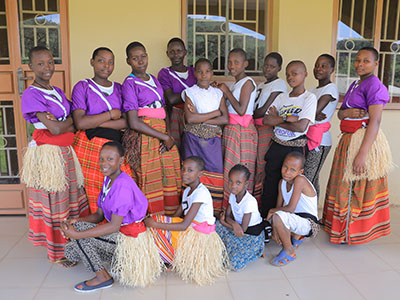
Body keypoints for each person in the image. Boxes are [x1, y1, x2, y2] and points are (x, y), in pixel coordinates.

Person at [62, 142, 163, 292]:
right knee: (70, 251)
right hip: (118, 234)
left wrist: (77, 234)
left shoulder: (122, 185)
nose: (104, 163)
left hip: (128, 239)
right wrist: (76, 221)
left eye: (110, 159)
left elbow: (114, 226)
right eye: (102, 159)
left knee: (79, 236)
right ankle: (119, 263)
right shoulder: (108, 180)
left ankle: (103, 277)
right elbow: (98, 215)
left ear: (121, 160)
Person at [20, 46, 89, 266]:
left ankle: (73, 243)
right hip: (49, 155)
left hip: (65, 153)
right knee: (56, 204)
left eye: (49, 62)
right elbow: (58, 129)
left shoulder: (57, 91)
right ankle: (58, 253)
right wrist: (63, 124)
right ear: (30, 66)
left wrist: (62, 123)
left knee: (69, 200)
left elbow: (73, 122)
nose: (47, 67)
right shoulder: (32, 94)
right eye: (40, 63)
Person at [322, 47, 392, 244]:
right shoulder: (356, 84)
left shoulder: (375, 86)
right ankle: (338, 229)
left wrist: (362, 154)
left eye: (366, 61)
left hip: (361, 142)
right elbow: (340, 112)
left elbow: (375, 121)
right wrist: (346, 114)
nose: (360, 64)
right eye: (358, 60)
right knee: (343, 185)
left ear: (376, 64)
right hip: (348, 140)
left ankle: (350, 233)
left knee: (355, 187)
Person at [144, 156, 229, 285]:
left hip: (199, 234)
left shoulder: (201, 193)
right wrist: (161, 222)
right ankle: (173, 257)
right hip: (191, 228)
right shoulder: (188, 190)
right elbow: (178, 214)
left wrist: (157, 224)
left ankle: (175, 260)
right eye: (183, 169)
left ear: (200, 174)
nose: (184, 173)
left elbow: (183, 225)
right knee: (158, 223)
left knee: (157, 224)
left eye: (190, 170)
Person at [122, 41, 181, 215]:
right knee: (151, 179)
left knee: (168, 178)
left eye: (143, 56)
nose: (140, 61)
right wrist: (163, 137)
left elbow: (164, 110)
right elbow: (134, 122)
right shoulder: (129, 84)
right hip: (146, 136)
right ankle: (153, 221)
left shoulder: (154, 80)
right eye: (135, 58)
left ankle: (168, 220)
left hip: (162, 134)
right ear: (128, 61)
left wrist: (168, 134)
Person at [71, 47, 131, 213]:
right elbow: (80, 123)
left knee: (118, 189)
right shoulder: (83, 87)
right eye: (101, 60)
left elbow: (126, 123)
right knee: (93, 192)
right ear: (92, 62)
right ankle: (94, 232)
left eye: (111, 62)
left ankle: (114, 228)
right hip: (89, 147)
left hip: (115, 147)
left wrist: (94, 121)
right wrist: (111, 114)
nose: (106, 65)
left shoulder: (119, 88)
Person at [261, 60, 317, 218]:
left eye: (295, 73)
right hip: (277, 146)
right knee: (271, 184)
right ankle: (267, 221)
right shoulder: (281, 97)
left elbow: (301, 127)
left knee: (291, 186)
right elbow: (267, 120)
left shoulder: (309, 98)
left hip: (295, 148)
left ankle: (288, 222)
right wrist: (288, 118)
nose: (291, 77)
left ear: (305, 74)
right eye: (288, 74)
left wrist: (278, 118)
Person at [182, 58, 228, 212]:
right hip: (193, 139)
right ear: (195, 73)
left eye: (207, 71)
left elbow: (225, 119)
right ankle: (190, 210)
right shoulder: (189, 92)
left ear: (212, 73)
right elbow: (190, 119)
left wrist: (201, 118)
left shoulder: (218, 93)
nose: (204, 75)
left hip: (213, 140)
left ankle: (211, 212)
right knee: (191, 171)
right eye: (200, 71)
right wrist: (215, 113)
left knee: (215, 171)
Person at [217, 48, 258, 206]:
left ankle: (242, 209)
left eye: (236, 62)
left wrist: (226, 91)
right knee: (231, 170)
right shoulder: (237, 84)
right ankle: (230, 208)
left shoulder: (247, 82)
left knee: (241, 171)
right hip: (232, 131)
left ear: (245, 64)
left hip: (242, 131)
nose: (231, 65)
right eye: (229, 62)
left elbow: (241, 110)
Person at [267, 152, 318, 266]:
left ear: (300, 172)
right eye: (285, 167)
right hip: (296, 218)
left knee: (275, 215)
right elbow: (278, 206)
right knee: (274, 216)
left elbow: (290, 208)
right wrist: (275, 230)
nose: (287, 172)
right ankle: (297, 236)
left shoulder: (300, 180)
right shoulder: (282, 182)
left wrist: (271, 211)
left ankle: (289, 250)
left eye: (292, 170)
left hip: (309, 223)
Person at [216, 164, 265, 271]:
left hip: (251, 237)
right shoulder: (233, 195)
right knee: (216, 226)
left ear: (246, 184)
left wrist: (225, 222)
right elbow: (228, 215)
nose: (233, 186)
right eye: (231, 181)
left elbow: (241, 231)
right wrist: (233, 224)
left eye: (238, 183)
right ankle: (228, 248)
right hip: (238, 229)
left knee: (233, 263)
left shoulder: (249, 202)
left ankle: (255, 251)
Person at [253, 52, 287, 203]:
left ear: (279, 68)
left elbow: (263, 110)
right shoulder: (261, 84)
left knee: (262, 164)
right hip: (256, 128)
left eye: (272, 66)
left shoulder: (279, 84)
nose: (267, 69)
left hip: (266, 129)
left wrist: (249, 114)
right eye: (266, 65)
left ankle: (261, 201)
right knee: (255, 164)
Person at [304, 54, 339, 199]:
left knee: (308, 180)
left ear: (332, 69)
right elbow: (306, 112)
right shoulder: (312, 91)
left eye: (323, 66)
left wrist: (311, 113)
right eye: (317, 65)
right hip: (308, 136)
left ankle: (309, 216)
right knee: (312, 177)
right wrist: (310, 113)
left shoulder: (331, 88)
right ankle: (312, 215)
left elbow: (313, 111)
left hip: (320, 141)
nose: (319, 69)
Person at [158, 38, 197, 151]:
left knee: (192, 149)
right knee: (177, 149)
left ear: (185, 52)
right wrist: (193, 92)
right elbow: (171, 99)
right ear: (167, 54)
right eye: (172, 51)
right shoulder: (165, 73)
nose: (176, 55)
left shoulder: (194, 71)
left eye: (179, 51)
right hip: (175, 116)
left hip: (194, 115)